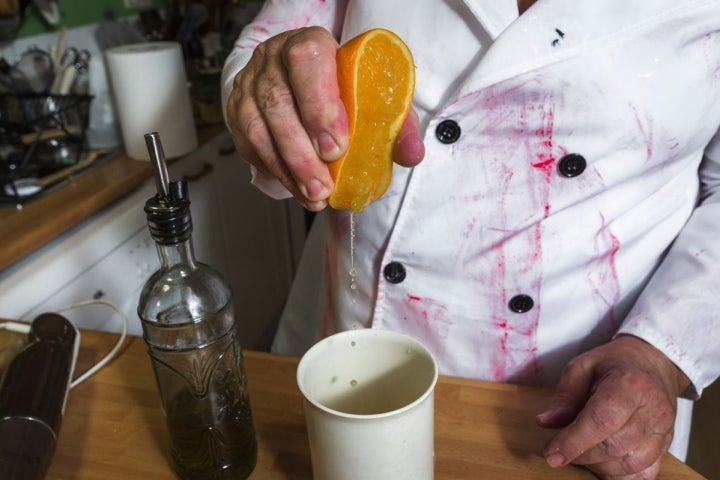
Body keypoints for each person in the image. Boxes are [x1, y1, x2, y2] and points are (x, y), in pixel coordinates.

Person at [221, 1, 720, 478]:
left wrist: (659, 352)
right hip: (348, 327)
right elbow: (268, 46)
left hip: (570, 390)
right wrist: (268, 88)